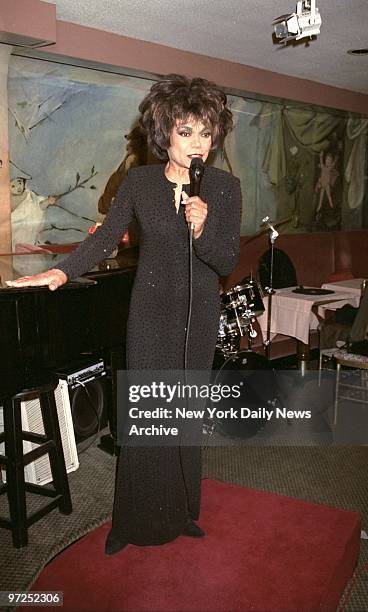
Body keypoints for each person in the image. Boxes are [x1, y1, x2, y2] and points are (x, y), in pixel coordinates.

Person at [6, 74, 242, 555]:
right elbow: (102, 238)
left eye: (205, 133)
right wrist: (60, 274)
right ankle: (130, 522)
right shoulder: (139, 182)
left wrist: (203, 227)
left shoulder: (224, 187)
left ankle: (180, 512)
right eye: (186, 132)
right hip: (151, 311)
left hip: (197, 317)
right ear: (165, 134)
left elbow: (226, 260)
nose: (197, 143)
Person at [10, 177, 60, 251]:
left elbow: (38, 207)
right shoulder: (4, 199)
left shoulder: (29, 195)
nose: (18, 187)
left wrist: (48, 201)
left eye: (20, 182)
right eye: (13, 186)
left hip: (25, 236)